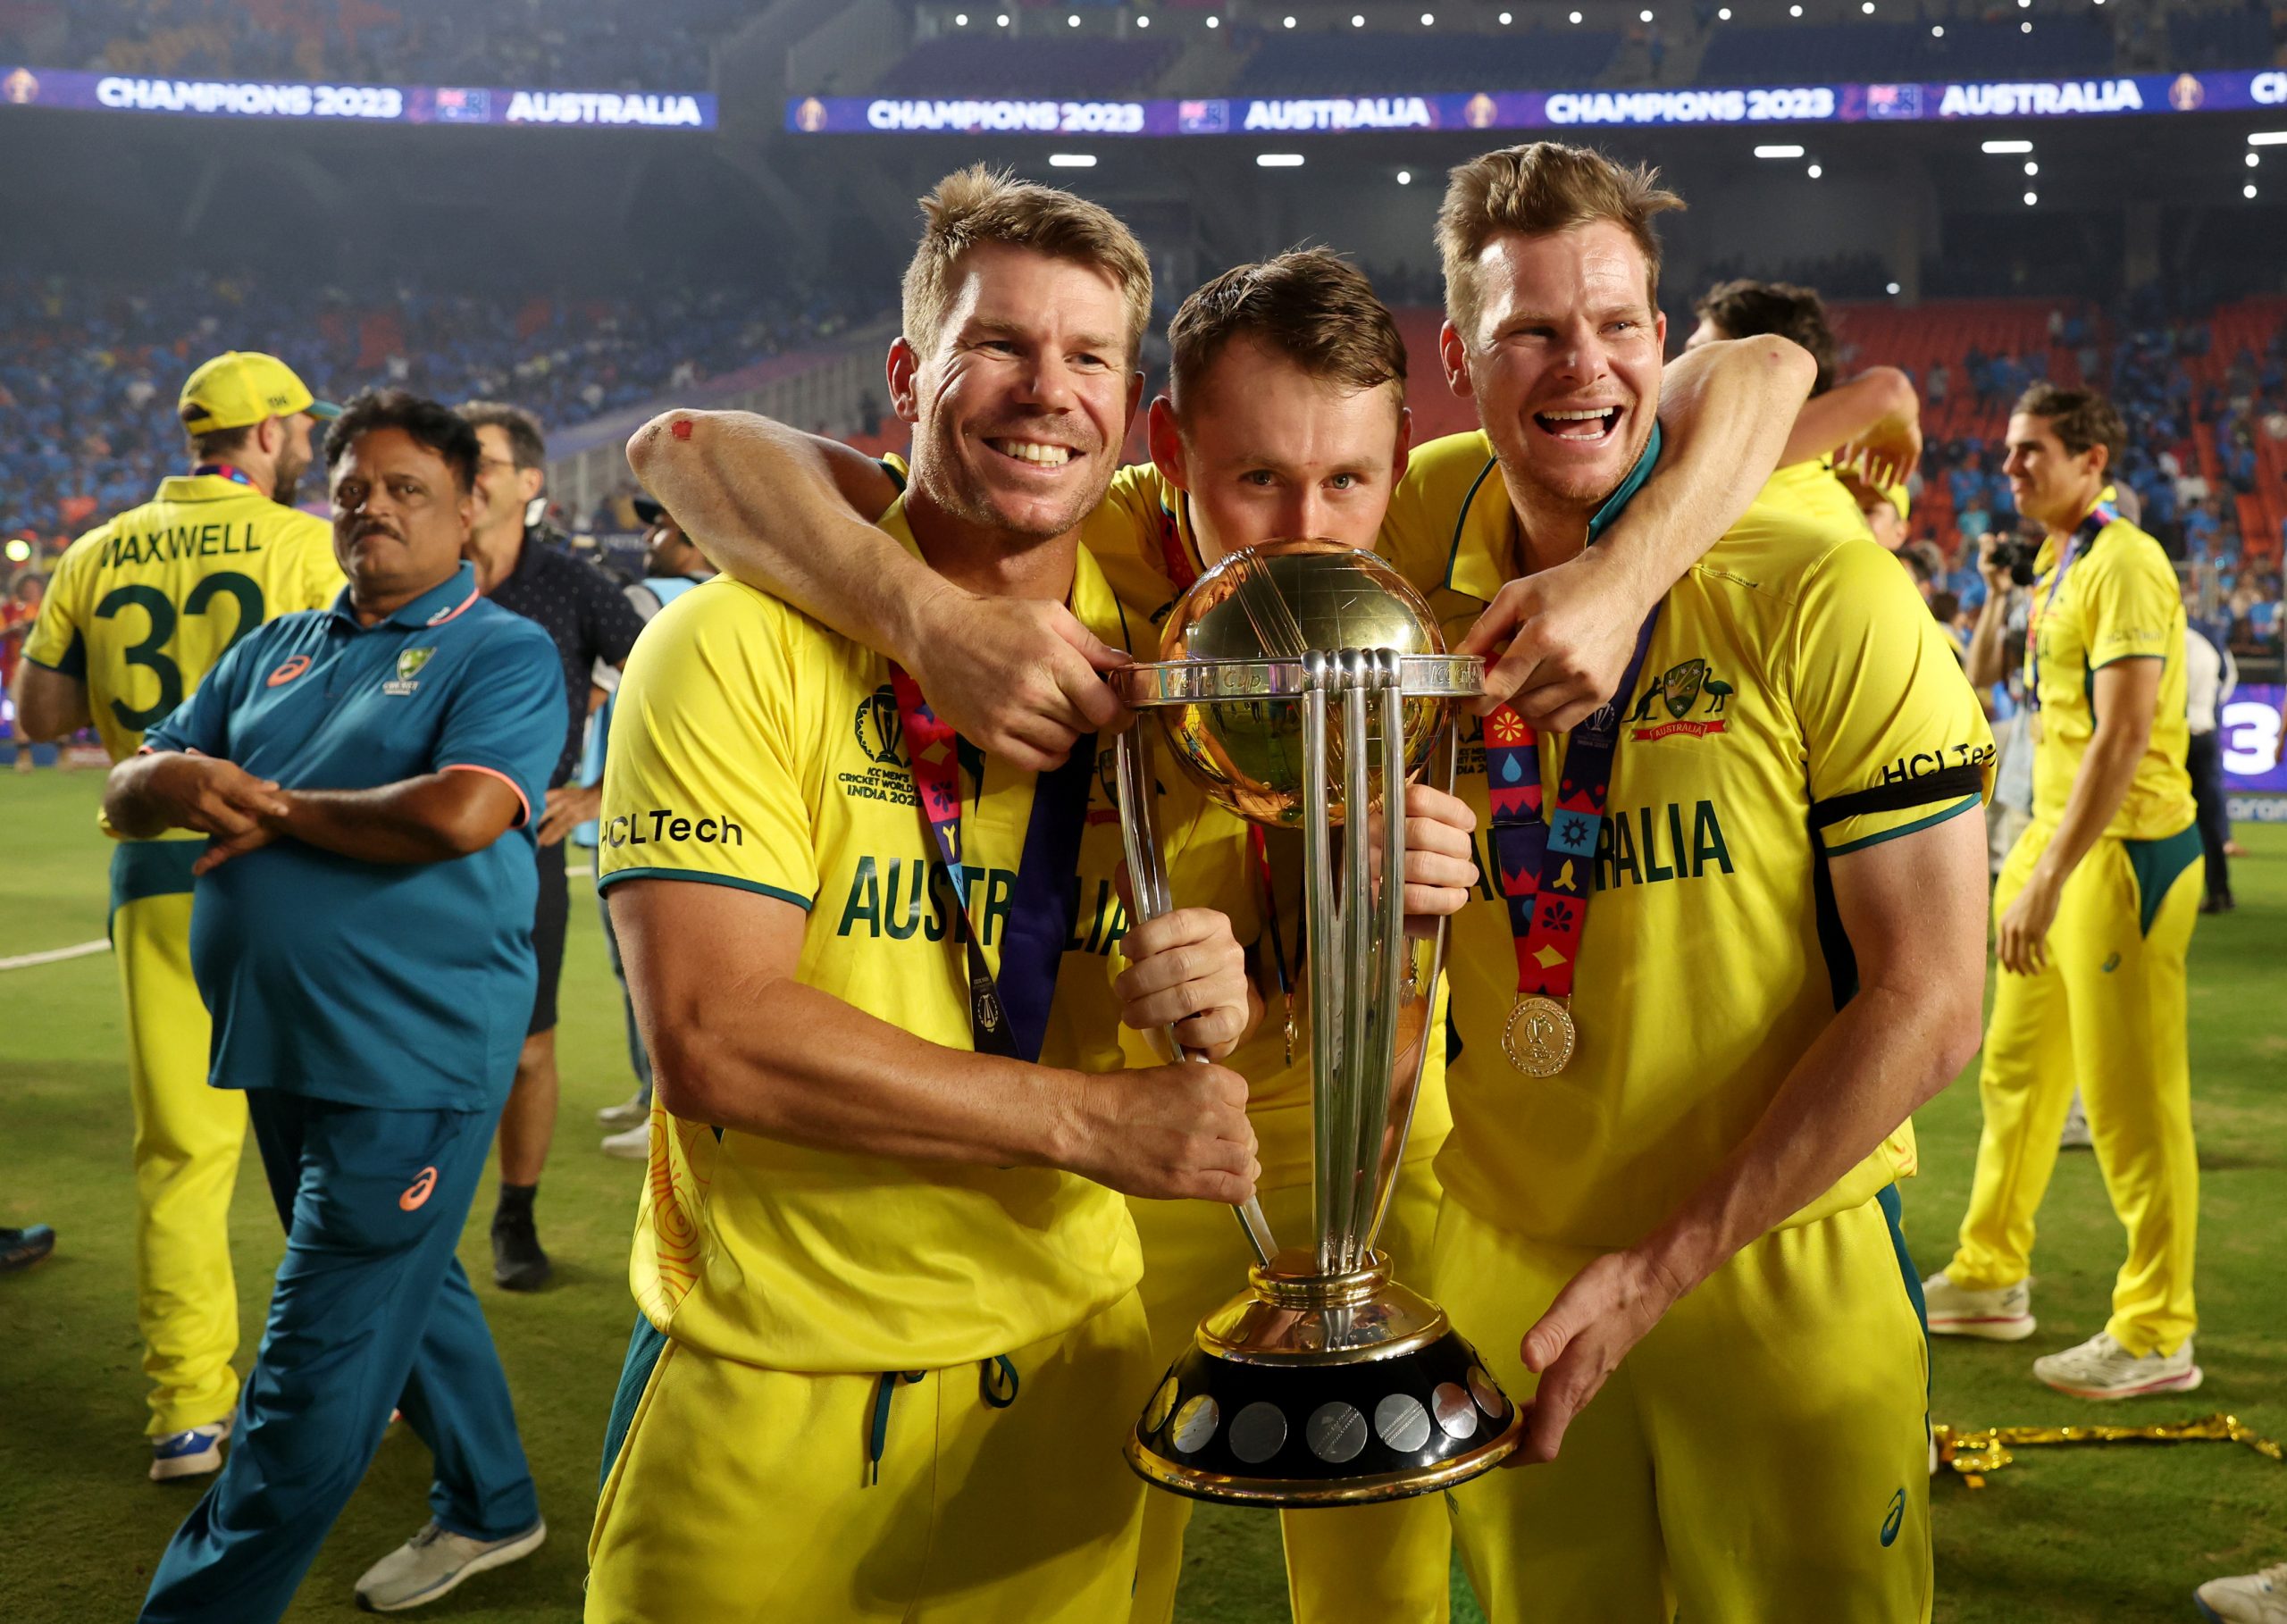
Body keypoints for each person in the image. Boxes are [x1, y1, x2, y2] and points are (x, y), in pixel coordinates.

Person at [632, 143, 1988, 1620]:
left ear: (1403, 454)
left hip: (1387, 1140)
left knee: (1382, 1580)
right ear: (1173, 452)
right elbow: (685, 449)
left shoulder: (1415, 524)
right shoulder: (1113, 538)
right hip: (1150, 1149)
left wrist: (1623, 578)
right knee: (1104, 1551)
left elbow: (1766, 368)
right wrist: (925, 621)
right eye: (1255, 480)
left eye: (1345, 480)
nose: (1303, 529)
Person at [584, 169, 1283, 1623]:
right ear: (907, 378)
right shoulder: (728, 644)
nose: (1048, 391)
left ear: (1129, 403)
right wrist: (1092, 1120)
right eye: (1000, 344)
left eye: (1088, 356)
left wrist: (1223, 983)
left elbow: (1210, 979)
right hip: (771, 1388)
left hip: (1074, 1384)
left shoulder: (1172, 678)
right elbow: (712, 1035)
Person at [109, 389, 561, 1622]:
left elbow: (461, 812)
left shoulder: (501, 650)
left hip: (408, 1051)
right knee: (408, 1283)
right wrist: (166, 778)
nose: (371, 508)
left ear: (469, 508)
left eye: (407, 488)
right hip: (279, 1036)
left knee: (309, 1372)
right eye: (354, 488)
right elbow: (130, 784)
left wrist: (271, 805)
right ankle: (493, 1501)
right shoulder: (273, 647)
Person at [9, 352, 345, 1481]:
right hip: (293, 865)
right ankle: (359, 1378)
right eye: (303, 428)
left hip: (154, 867)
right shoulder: (305, 546)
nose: (309, 444)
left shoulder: (95, 549)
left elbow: (41, 714)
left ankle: (187, 1412)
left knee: (180, 1155)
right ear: (269, 432)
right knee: (331, 1139)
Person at [1926, 384, 2204, 1399]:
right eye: (2008, 450)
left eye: (2031, 450)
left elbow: (2123, 738)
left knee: (2131, 1104)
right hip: (2057, 842)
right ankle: (1990, 1274)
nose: (2008, 468)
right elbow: (2000, 680)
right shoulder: (2059, 564)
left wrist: (2046, 877)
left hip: (2121, 855)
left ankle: (2158, 1329)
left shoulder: (2125, 562)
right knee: (2016, 1074)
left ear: (2092, 461)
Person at [457, 400, 649, 1289]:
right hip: (410, 841)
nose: (464, 473)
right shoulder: (420, 571)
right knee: (404, 1040)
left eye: (482, 460)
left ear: (530, 481)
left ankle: (515, 1216)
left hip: (520, 850)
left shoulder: (571, 584)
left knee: (530, 1047)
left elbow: (671, 681)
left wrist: (602, 792)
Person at [584, 495, 716, 1160]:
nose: (649, 538)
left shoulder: (641, 599)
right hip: (707, 808)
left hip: (637, 809)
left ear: (692, 536)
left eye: (661, 526)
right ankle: (651, 1094)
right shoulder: (733, 601)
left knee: (644, 968)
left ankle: (664, 1107)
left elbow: (596, 694)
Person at [2184, 615, 2237, 912]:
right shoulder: (2209, 639)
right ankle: (2220, 890)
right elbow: (2227, 676)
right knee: (2209, 818)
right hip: (2205, 729)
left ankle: (2168, 892)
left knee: (2165, 815)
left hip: (2178, 733)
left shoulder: (2170, 638)